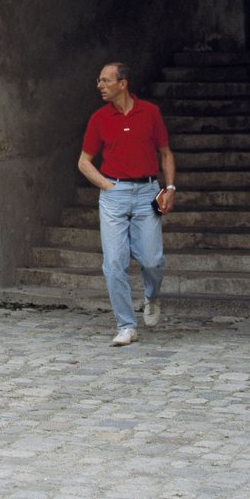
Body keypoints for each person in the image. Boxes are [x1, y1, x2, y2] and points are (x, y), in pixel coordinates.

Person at [77, 61, 177, 347]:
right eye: (99, 81)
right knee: (113, 263)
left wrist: (169, 188)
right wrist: (107, 186)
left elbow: (166, 154)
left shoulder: (151, 113)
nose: (100, 85)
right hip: (114, 194)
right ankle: (126, 325)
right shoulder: (99, 118)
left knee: (153, 260)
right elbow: (84, 162)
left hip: (149, 192)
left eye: (105, 80)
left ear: (123, 83)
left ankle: (151, 297)